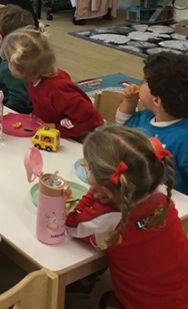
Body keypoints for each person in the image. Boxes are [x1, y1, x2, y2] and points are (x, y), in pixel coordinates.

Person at [66, 126, 188, 309]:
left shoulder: (107, 220)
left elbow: (70, 224)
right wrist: (102, 190)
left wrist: (93, 194)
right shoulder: (163, 200)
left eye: (89, 168)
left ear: (106, 190)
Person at [0, 26, 103, 139]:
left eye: (8, 61)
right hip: (58, 131)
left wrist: (57, 127)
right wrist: (38, 116)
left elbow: (86, 116)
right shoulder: (33, 79)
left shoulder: (57, 88)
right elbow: (46, 104)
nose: (6, 64)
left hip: (83, 136)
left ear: (23, 68)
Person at [116, 52, 188, 195]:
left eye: (144, 82)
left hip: (170, 200)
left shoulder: (184, 138)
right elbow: (121, 126)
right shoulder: (145, 116)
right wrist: (130, 102)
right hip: (138, 190)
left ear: (156, 100)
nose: (139, 84)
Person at [0, 4, 35, 113]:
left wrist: (1, 112)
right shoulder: (26, 54)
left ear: (0, 37)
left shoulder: (12, 65)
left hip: (11, 114)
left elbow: (20, 101)